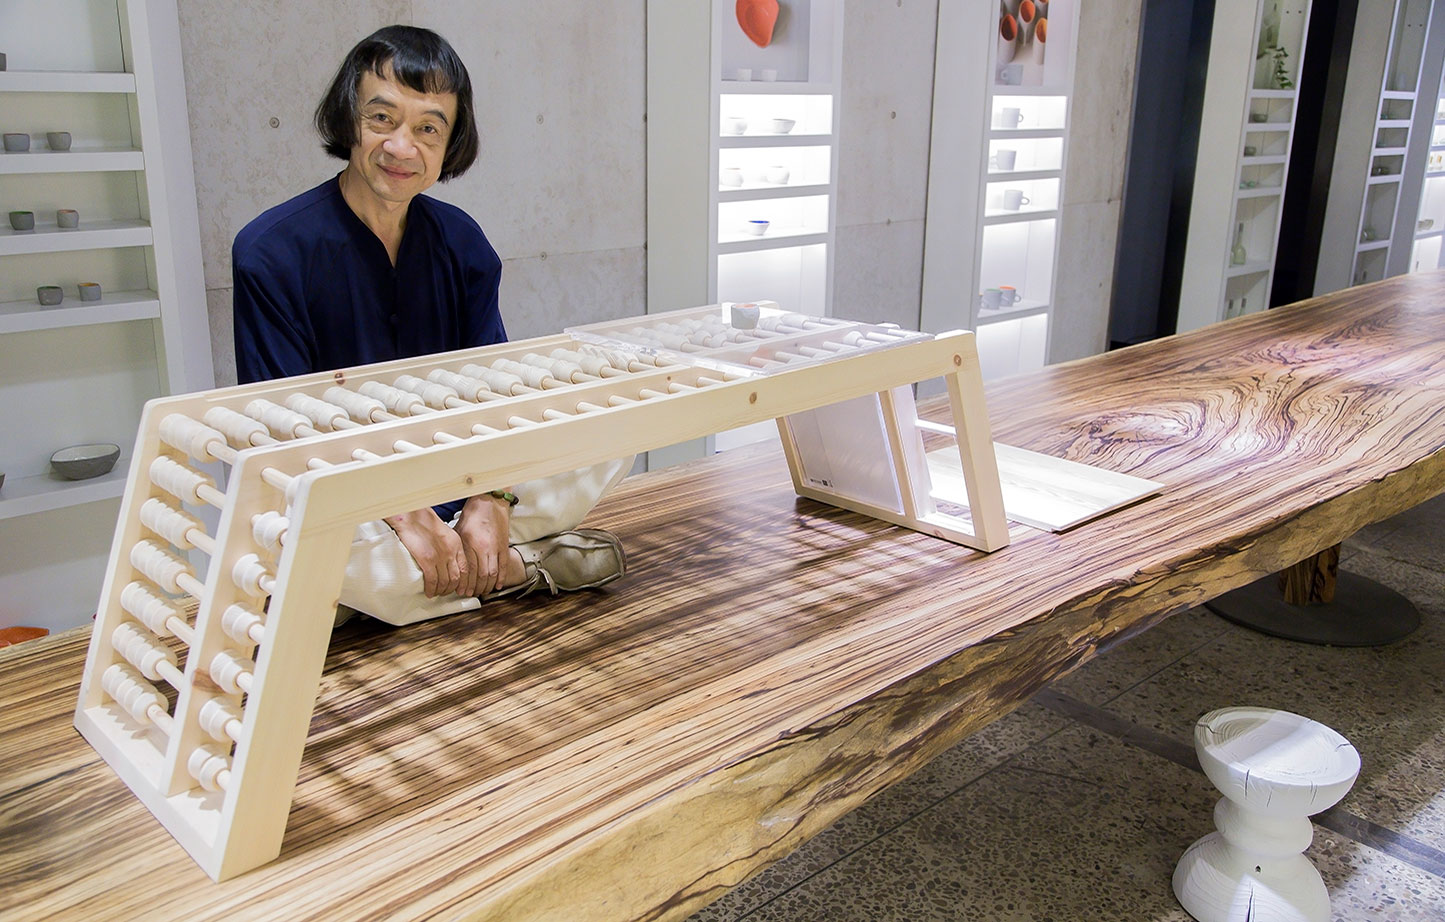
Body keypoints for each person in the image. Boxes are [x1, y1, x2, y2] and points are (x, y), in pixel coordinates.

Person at [232, 25, 630, 626]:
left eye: (428, 128)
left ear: (451, 142)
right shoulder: (270, 252)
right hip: (350, 495)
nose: (401, 147)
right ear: (348, 118)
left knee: (608, 436)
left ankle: (389, 592)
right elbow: (284, 442)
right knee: (291, 525)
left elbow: (500, 396)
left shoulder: (463, 243)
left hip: (456, 477)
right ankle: (513, 570)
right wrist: (401, 511)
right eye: (382, 118)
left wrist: (492, 496)